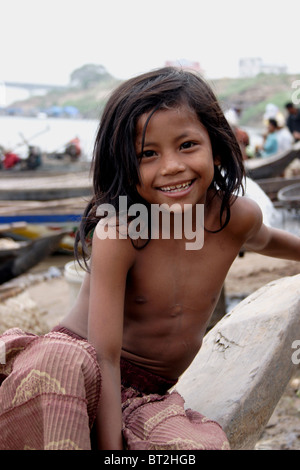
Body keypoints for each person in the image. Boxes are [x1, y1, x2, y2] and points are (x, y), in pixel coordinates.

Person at [1, 67, 300, 451]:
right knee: (59, 360)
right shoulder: (121, 233)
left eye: (187, 145)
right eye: (147, 154)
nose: (171, 166)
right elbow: (104, 358)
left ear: (217, 145)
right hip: (75, 373)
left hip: (144, 396)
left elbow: (271, 240)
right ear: (125, 164)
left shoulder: (237, 217)